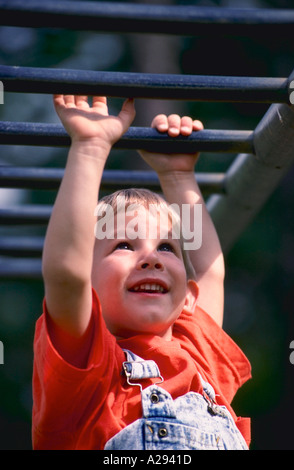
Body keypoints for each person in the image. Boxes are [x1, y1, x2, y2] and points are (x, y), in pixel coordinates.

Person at [32, 95, 251, 450]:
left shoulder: (198, 358)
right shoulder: (89, 369)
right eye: (123, 246)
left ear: (189, 298)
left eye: (166, 247)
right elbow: (65, 274)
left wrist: (178, 175)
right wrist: (89, 148)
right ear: (88, 288)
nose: (151, 258)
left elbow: (209, 272)